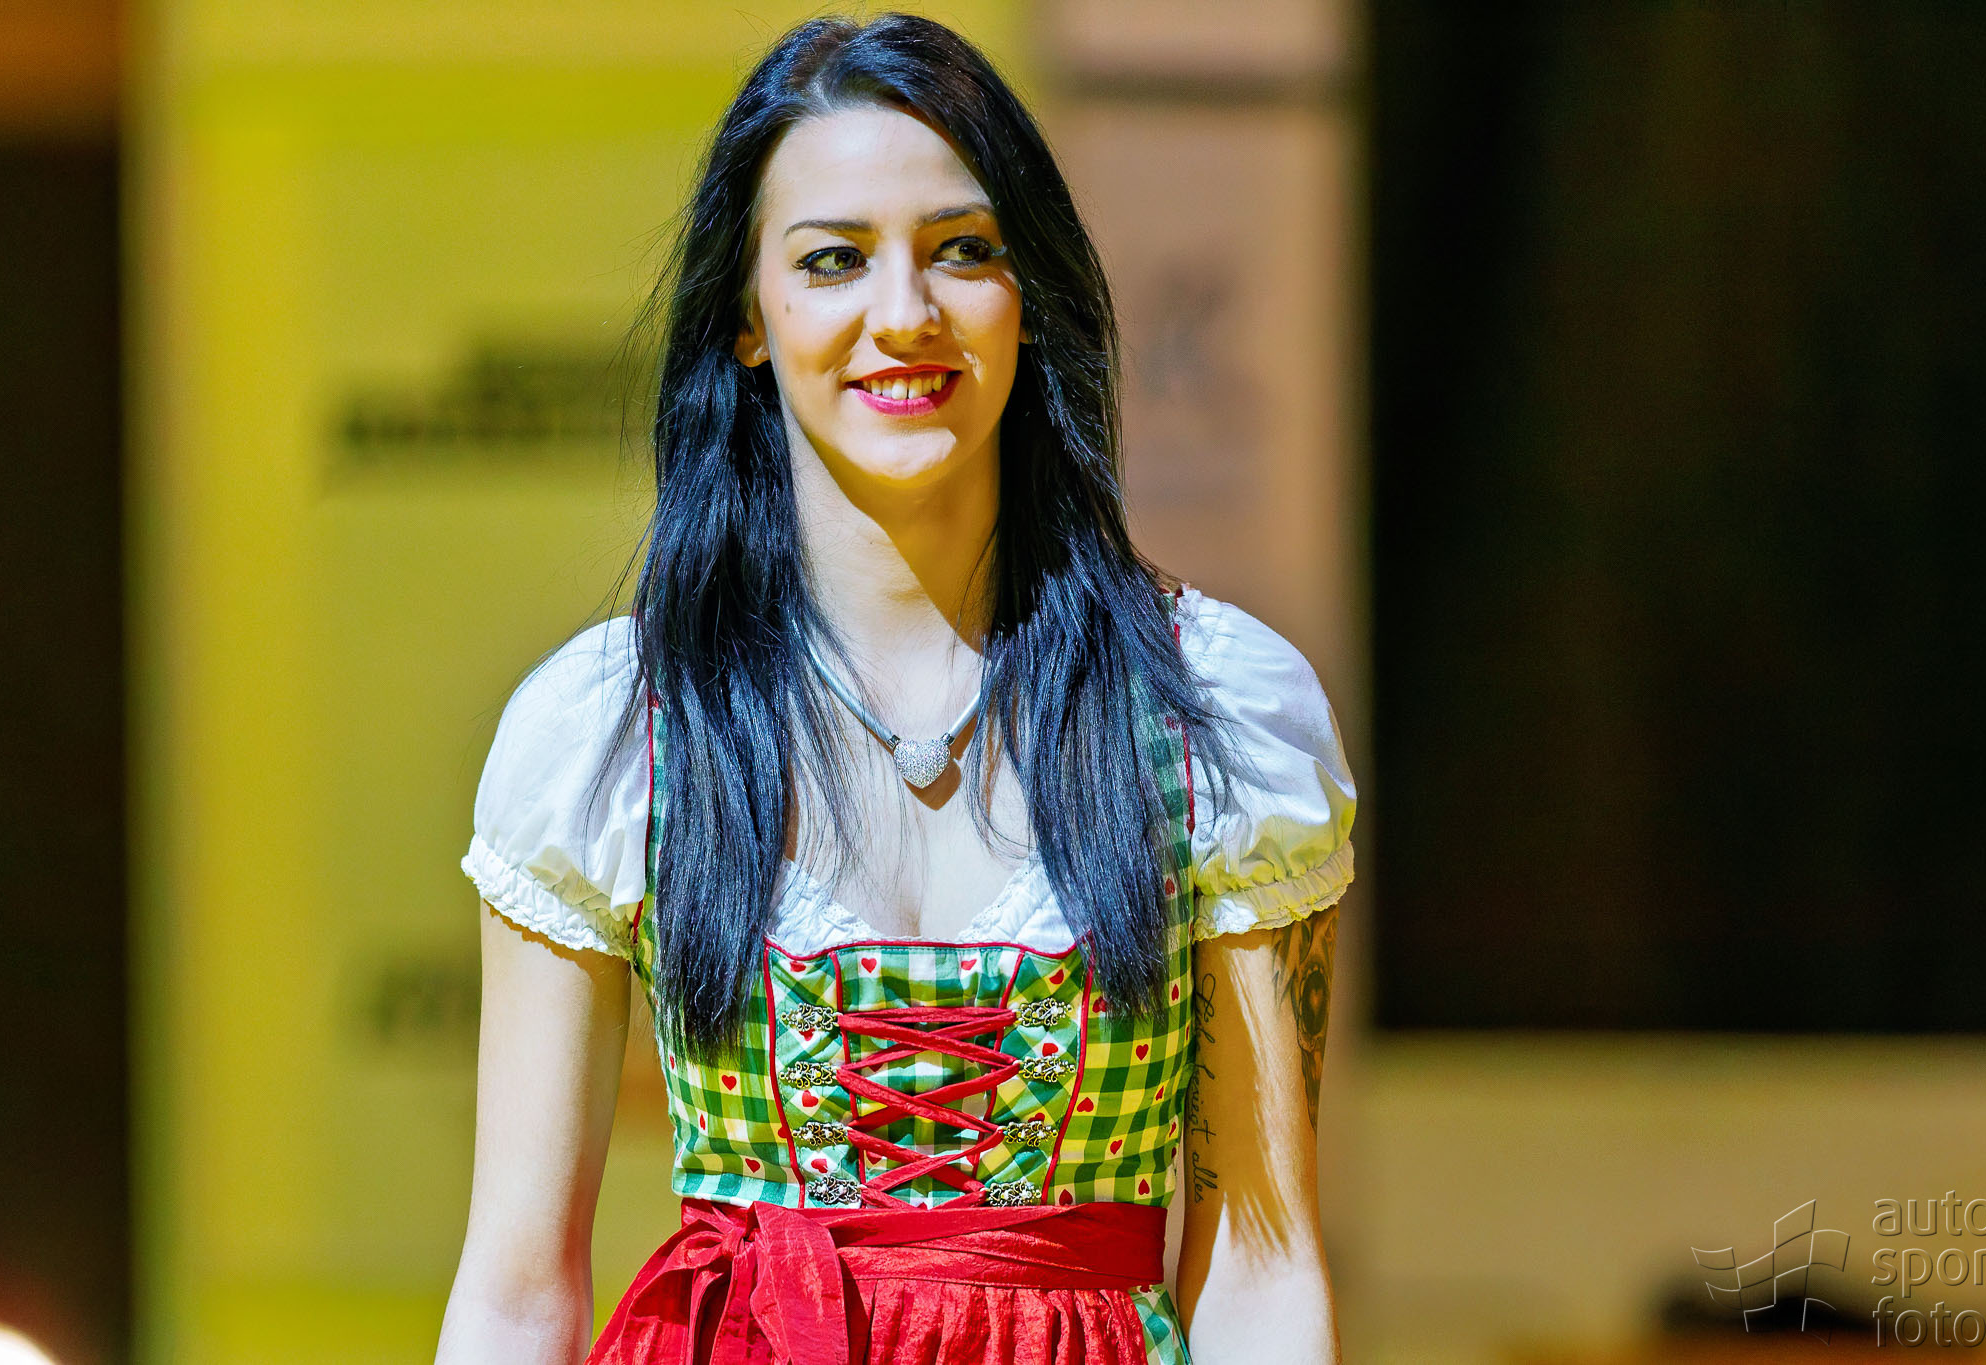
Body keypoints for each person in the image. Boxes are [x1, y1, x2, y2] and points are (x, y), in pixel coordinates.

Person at [434, 13, 1357, 1365]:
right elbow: (519, 1290)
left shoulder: (1208, 713)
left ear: (1030, 293)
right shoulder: (622, 728)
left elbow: (1263, 1267)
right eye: (834, 260)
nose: (905, 314)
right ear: (748, 320)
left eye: (963, 250)